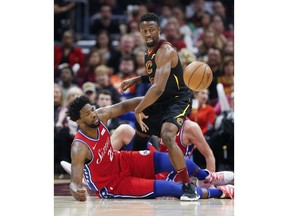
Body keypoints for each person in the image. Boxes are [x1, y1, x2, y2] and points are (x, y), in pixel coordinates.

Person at [65, 95, 234, 201]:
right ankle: (221, 192)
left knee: (174, 160)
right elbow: (74, 182)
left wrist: (147, 104)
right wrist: (76, 190)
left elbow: (126, 105)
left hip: (121, 160)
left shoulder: (101, 116)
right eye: (88, 114)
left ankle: (207, 177)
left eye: (92, 110)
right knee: (175, 189)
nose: (93, 114)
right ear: (79, 121)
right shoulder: (79, 147)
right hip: (113, 184)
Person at [119, 13, 202, 200]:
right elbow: (154, 77)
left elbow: (157, 88)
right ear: (140, 32)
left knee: (166, 135)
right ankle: (132, 177)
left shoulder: (166, 51)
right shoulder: (148, 53)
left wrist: (139, 109)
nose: (147, 33)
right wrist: (136, 79)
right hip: (162, 100)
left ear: (158, 30)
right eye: (144, 30)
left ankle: (187, 185)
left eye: (151, 30)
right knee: (140, 133)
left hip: (178, 99)